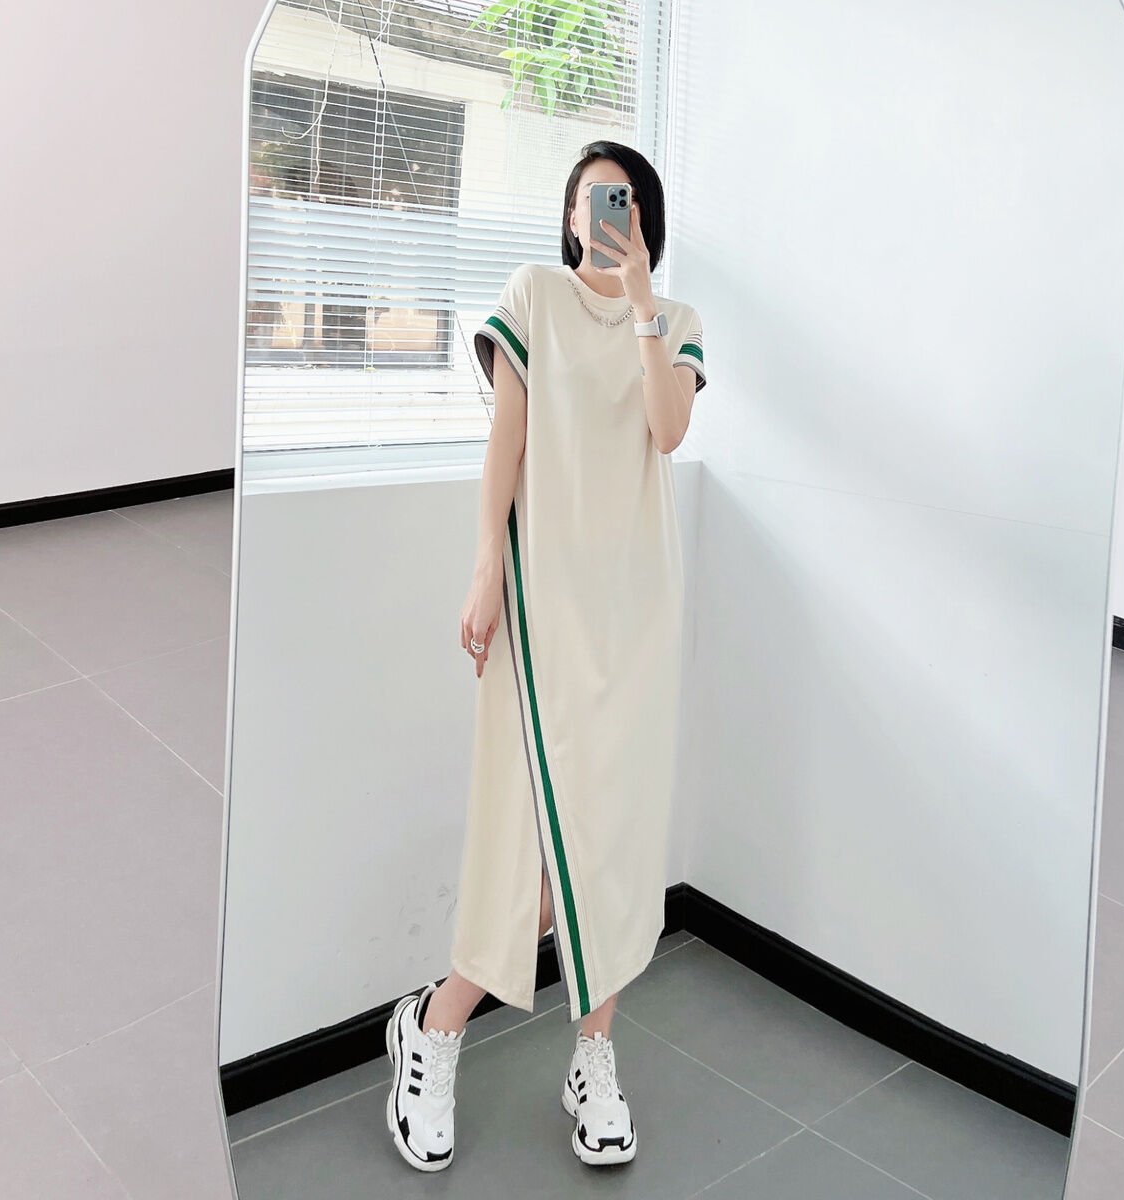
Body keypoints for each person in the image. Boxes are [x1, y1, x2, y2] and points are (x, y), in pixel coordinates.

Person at [385, 140, 706, 1173]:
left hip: (635, 612)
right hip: (542, 603)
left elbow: (667, 431)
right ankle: (434, 1025)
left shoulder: (676, 321)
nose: (606, 212)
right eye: (591, 197)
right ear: (570, 216)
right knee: (535, 846)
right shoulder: (533, 295)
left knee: (612, 841)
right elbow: (507, 444)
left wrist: (642, 298)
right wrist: (486, 564)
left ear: (644, 219)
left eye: (624, 200)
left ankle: (592, 1056)